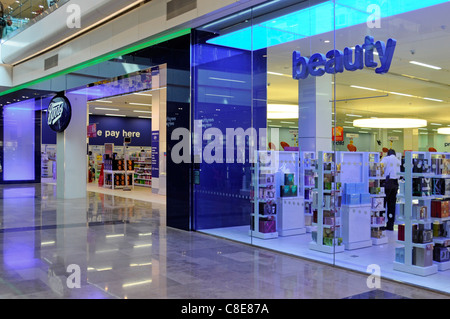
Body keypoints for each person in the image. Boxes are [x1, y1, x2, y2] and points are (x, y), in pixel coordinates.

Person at [381, 149, 401, 231]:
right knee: (391, 205)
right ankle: (390, 225)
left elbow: (380, 166)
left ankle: (381, 224)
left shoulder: (386, 159)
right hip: (395, 184)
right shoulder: (398, 160)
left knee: (382, 205)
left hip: (387, 183)